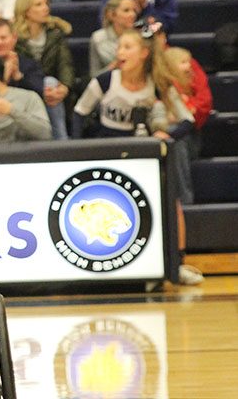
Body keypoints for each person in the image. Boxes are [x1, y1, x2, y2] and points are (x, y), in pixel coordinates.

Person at [72, 26, 201, 285]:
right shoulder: (106, 80)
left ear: (143, 53)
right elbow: (79, 113)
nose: (120, 52)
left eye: (127, 47)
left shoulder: (157, 85)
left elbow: (188, 119)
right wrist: (76, 149)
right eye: (119, 47)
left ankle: (177, 264)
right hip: (107, 151)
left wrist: (167, 136)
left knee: (171, 204)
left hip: (144, 154)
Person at [12, 0, 75, 140]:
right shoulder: (14, 37)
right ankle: (61, 141)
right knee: (48, 82)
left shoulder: (56, 33)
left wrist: (65, 87)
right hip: (24, 87)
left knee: (51, 83)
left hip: (51, 90)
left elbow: (65, 64)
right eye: (39, 4)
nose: (46, 8)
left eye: (46, 3)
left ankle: (61, 140)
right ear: (26, 10)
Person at [0, 18, 44, 96]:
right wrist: (4, 78)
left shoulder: (30, 64)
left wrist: (18, 77)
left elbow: (39, 93)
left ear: (14, 38)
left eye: (3, 38)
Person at [89, 0, 138, 77]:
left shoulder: (140, 36)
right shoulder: (98, 38)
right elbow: (94, 75)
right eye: (126, 10)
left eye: (134, 10)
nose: (133, 15)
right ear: (112, 15)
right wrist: (113, 67)